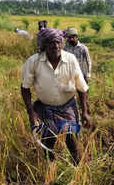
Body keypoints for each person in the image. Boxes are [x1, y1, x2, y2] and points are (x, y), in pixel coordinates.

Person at [21, 28, 91, 164]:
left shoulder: (70, 60)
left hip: (68, 106)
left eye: (58, 42)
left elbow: (82, 88)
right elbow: (25, 88)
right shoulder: (34, 62)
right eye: (51, 43)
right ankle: (50, 166)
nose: (56, 46)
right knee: (48, 139)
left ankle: (77, 166)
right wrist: (31, 112)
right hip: (46, 107)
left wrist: (85, 112)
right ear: (44, 46)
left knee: (71, 137)